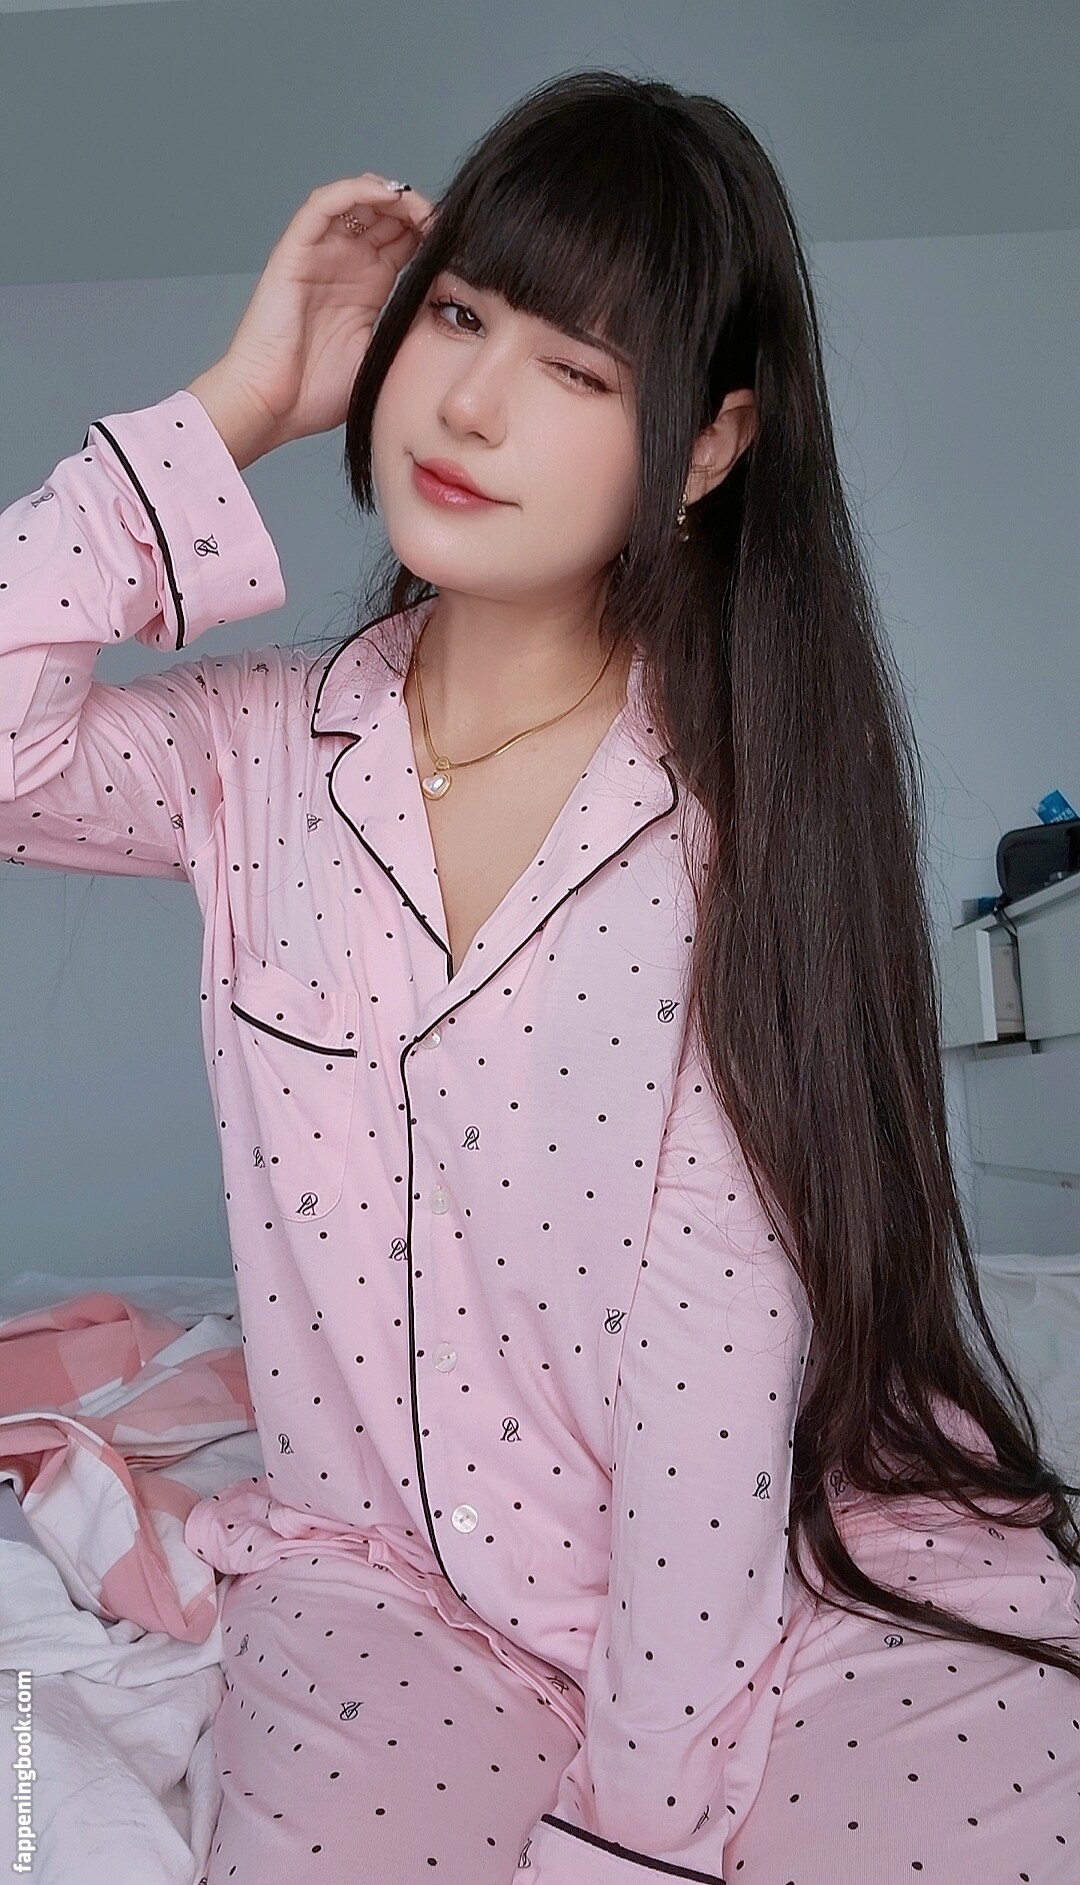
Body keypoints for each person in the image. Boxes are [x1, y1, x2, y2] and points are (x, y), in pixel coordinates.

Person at [2, 67, 1078, 1885]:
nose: (473, 404)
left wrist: (635, 1829)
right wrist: (235, 405)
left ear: (710, 447)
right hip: (383, 1592)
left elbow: (718, 1370)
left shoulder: (741, 819)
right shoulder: (255, 760)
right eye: (457, 318)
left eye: (576, 369)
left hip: (782, 1571)